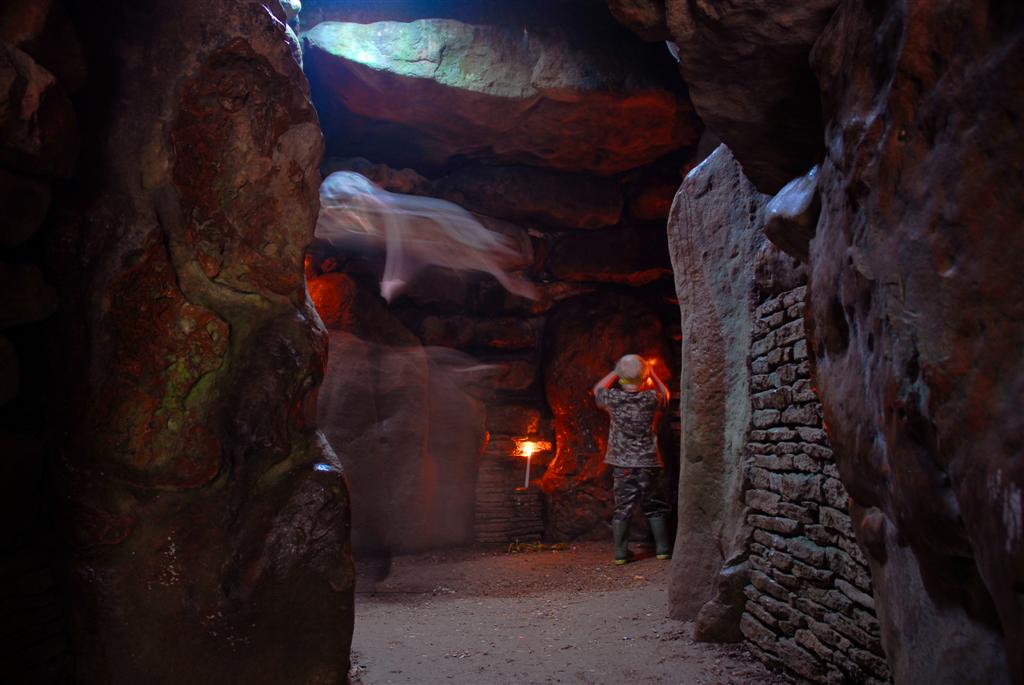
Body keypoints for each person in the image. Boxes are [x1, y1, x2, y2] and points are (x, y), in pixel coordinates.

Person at [593, 354, 673, 565]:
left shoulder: (614, 399)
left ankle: (621, 553)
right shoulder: (650, 398)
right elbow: (666, 395)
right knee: (654, 504)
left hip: (622, 464)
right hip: (648, 463)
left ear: (620, 378)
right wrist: (653, 375)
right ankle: (663, 549)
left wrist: (615, 371)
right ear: (644, 378)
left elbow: (598, 390)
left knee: (623, 507)